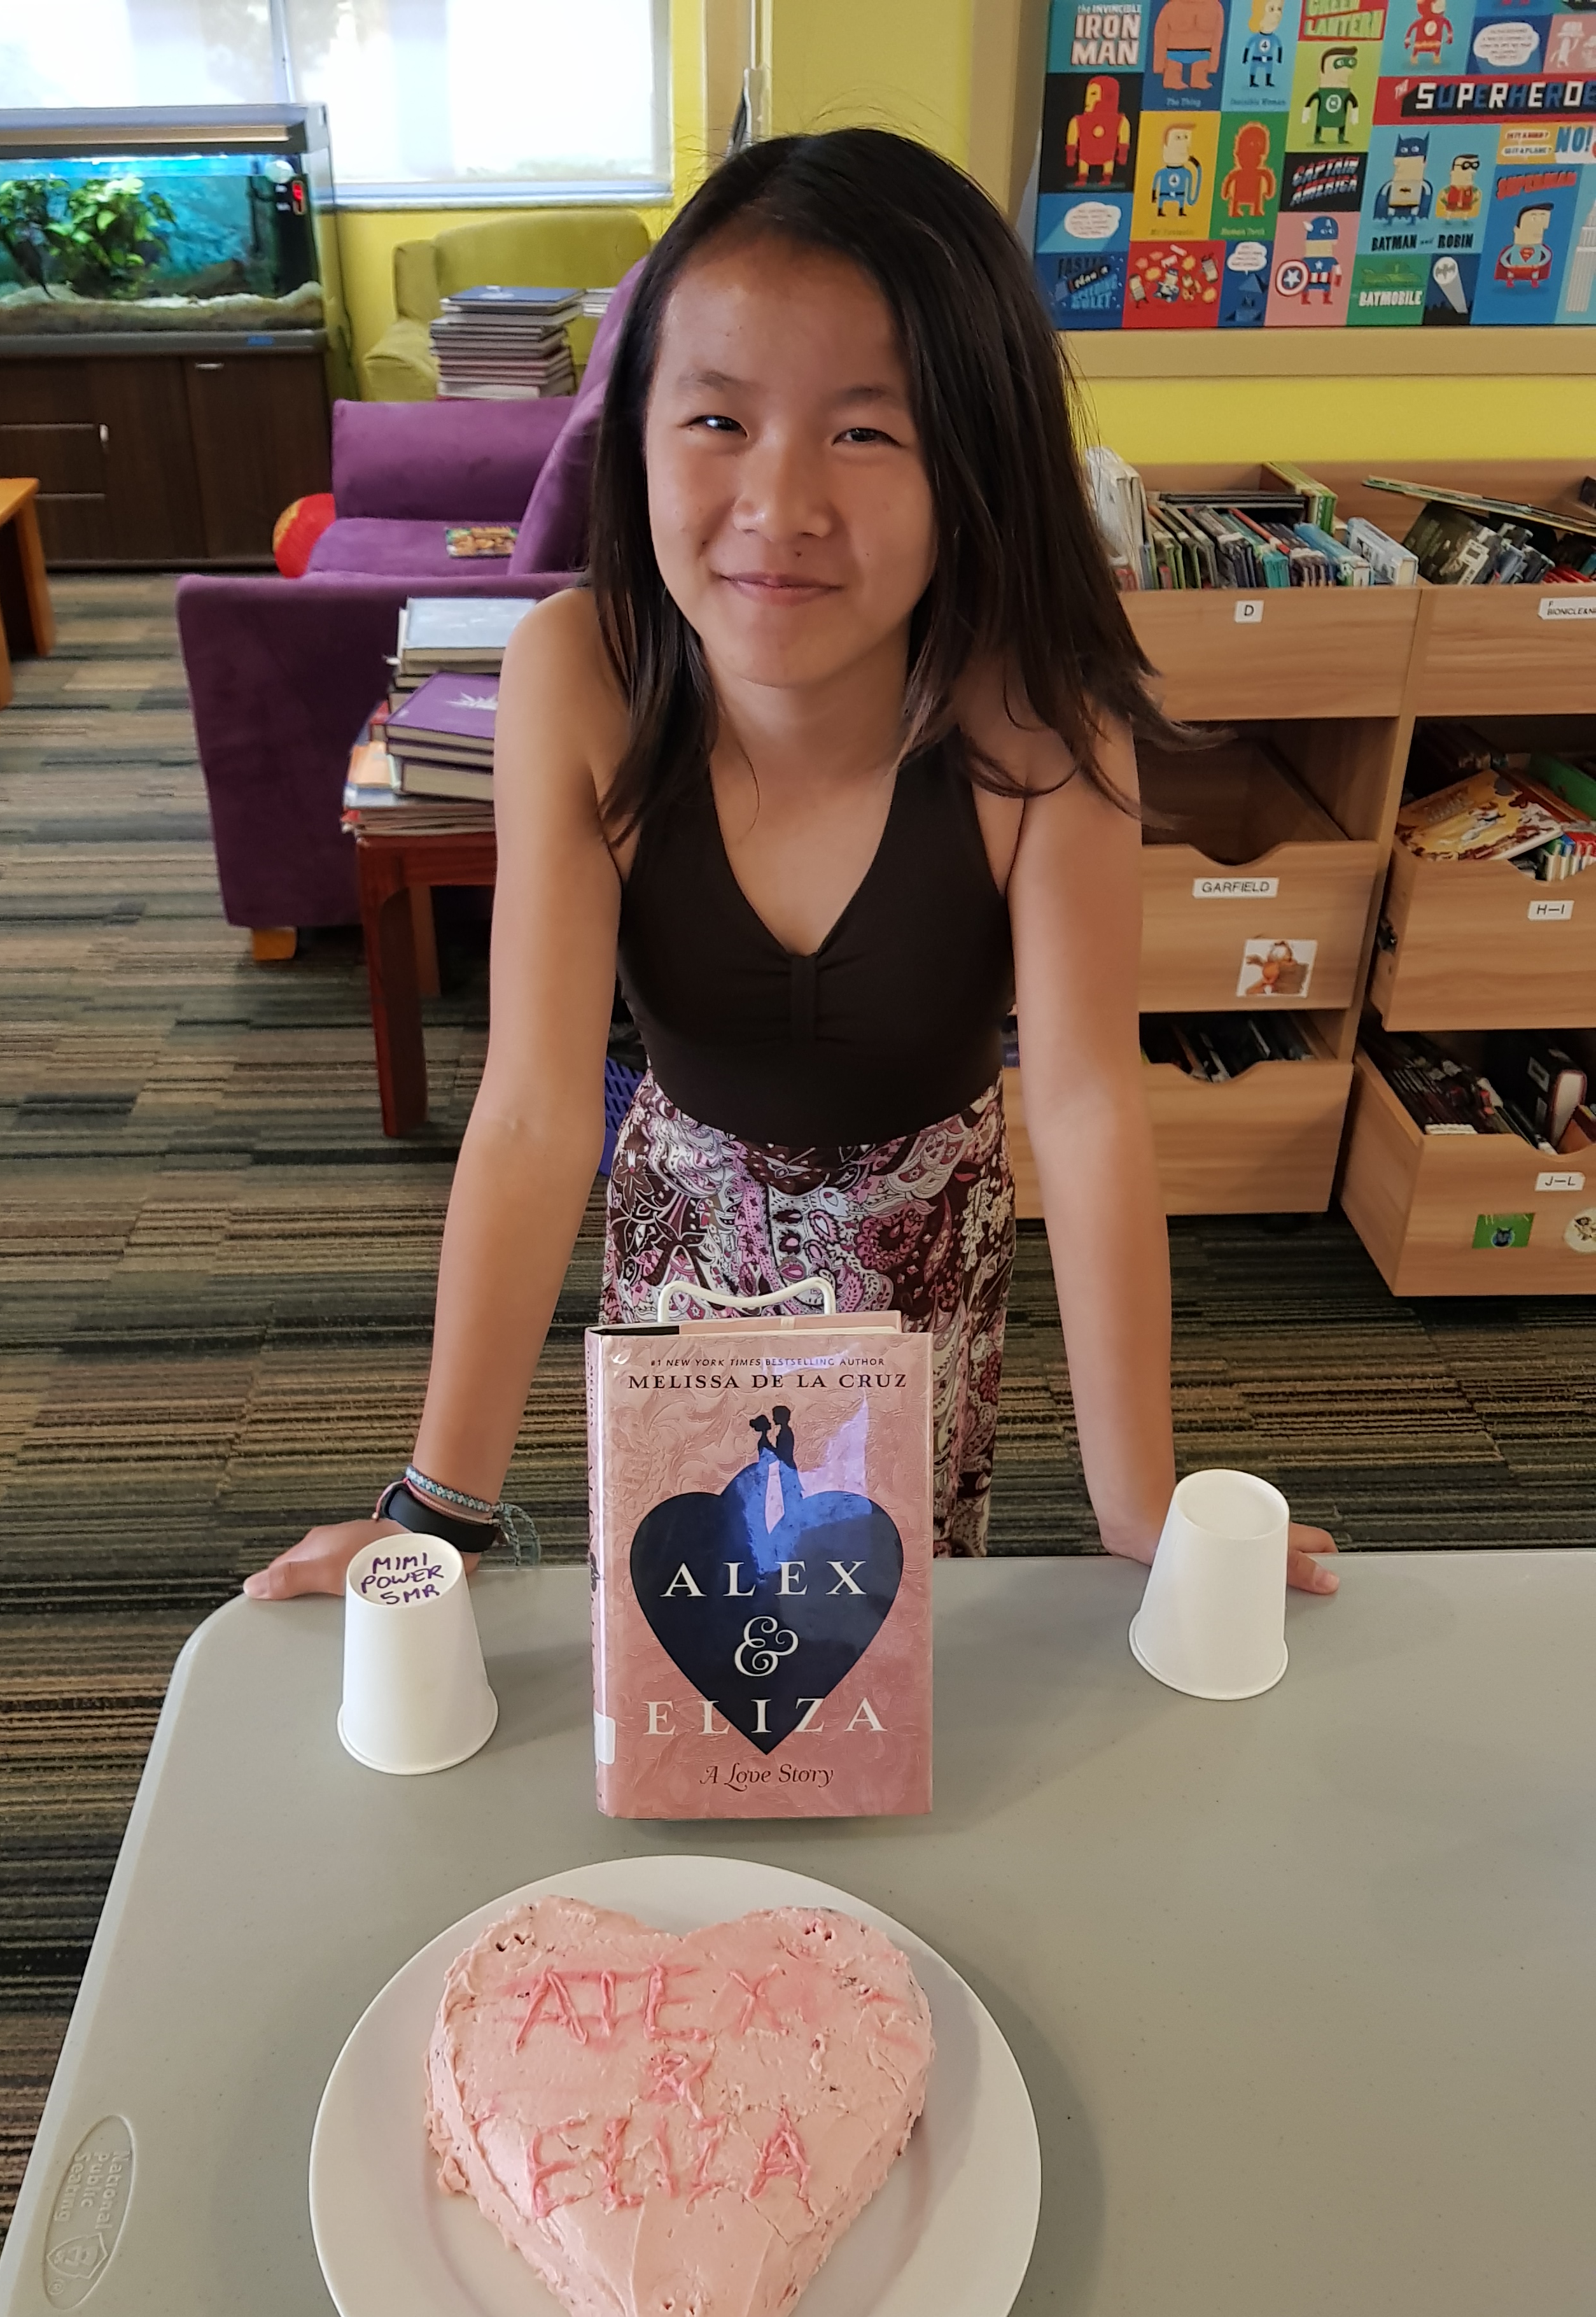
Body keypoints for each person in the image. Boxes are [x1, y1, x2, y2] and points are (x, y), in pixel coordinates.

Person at [246, 129, 1340, 1604]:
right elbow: (533, 1110)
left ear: (977, 460)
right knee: (679, 1614)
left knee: (883, 1630)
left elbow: (1087, 1106)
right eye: (717, 419)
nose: (779, 506)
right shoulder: (576, 672)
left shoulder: (1042, 708)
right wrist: (437, 1510)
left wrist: (1146, 1507)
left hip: (923, 1275)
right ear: (637, 433)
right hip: (680, 1252)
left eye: (866, 433)